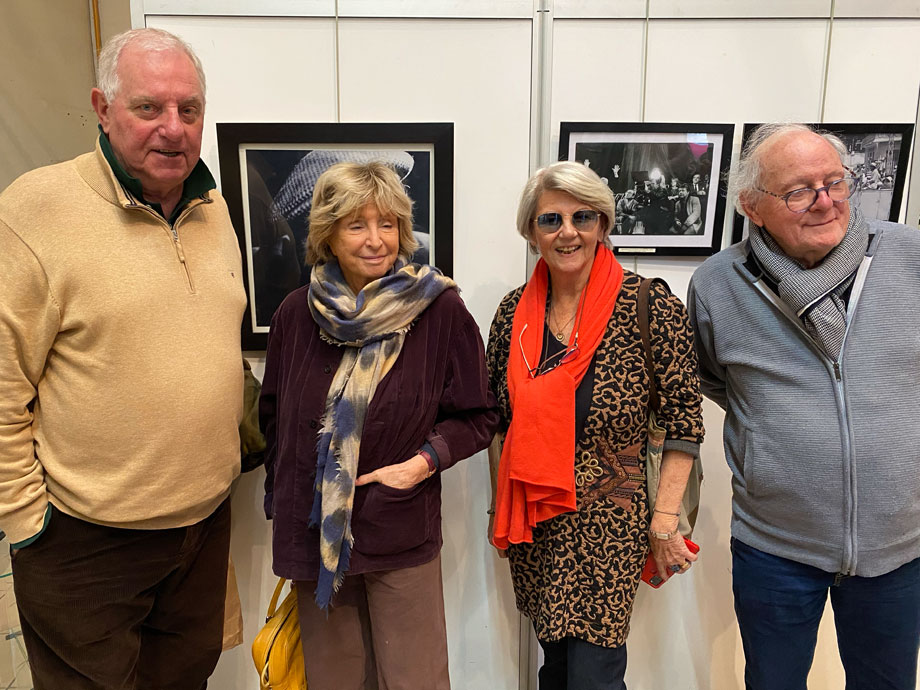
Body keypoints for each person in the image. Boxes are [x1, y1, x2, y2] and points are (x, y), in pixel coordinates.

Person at [0, 28, 245, 689]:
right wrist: (30, 523)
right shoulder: (36, 207)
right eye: (149, 108)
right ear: (102, 108)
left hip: (200, 530)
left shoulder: (214, 207)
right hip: (85, 541)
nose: (173, 129)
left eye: (188, 109)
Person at [688, 123, 920, 690]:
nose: (825, 201)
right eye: (799, 190)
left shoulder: (910, 257)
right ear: (752, 206)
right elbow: (716, 379)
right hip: (775, 546)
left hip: (899, 545)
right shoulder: (718, 283)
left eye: (834, 182)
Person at [260, 161, 498, 690]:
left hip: (398, 528)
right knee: (334, 680)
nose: (375, 240)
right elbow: (275, 415)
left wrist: (421, 465)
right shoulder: (296, 314)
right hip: (314, 534)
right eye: (357, 224)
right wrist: (285, 500)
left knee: (415, 680)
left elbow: (479, 415)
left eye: (387, 223)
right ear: (327, 233)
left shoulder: (440, 311)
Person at [487, 161, 704, 689]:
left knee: (595, 675)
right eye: (550, 220)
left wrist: (665, 521)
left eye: (582, 216)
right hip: (539, 522)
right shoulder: (514, 313)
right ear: (530, 232)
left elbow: (684, 419)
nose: (568, 232)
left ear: (603, 224)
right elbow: (497, 416)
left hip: (613, 522)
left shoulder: (649, 304)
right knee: (556, 668)